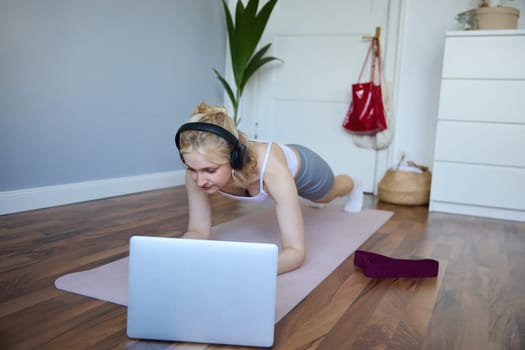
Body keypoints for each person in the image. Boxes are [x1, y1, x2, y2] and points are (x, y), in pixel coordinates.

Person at [175, 102, 363, 274]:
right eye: (191, 169)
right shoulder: (197, 170)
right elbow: (198, 231)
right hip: (279, 175)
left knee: (325, 196)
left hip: (306, 168)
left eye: (210, 170)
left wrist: (252, 272)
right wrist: (172, 255)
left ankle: (354, 182)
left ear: (235, 158)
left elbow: (295, 252)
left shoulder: (272, 169)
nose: (199, 181)